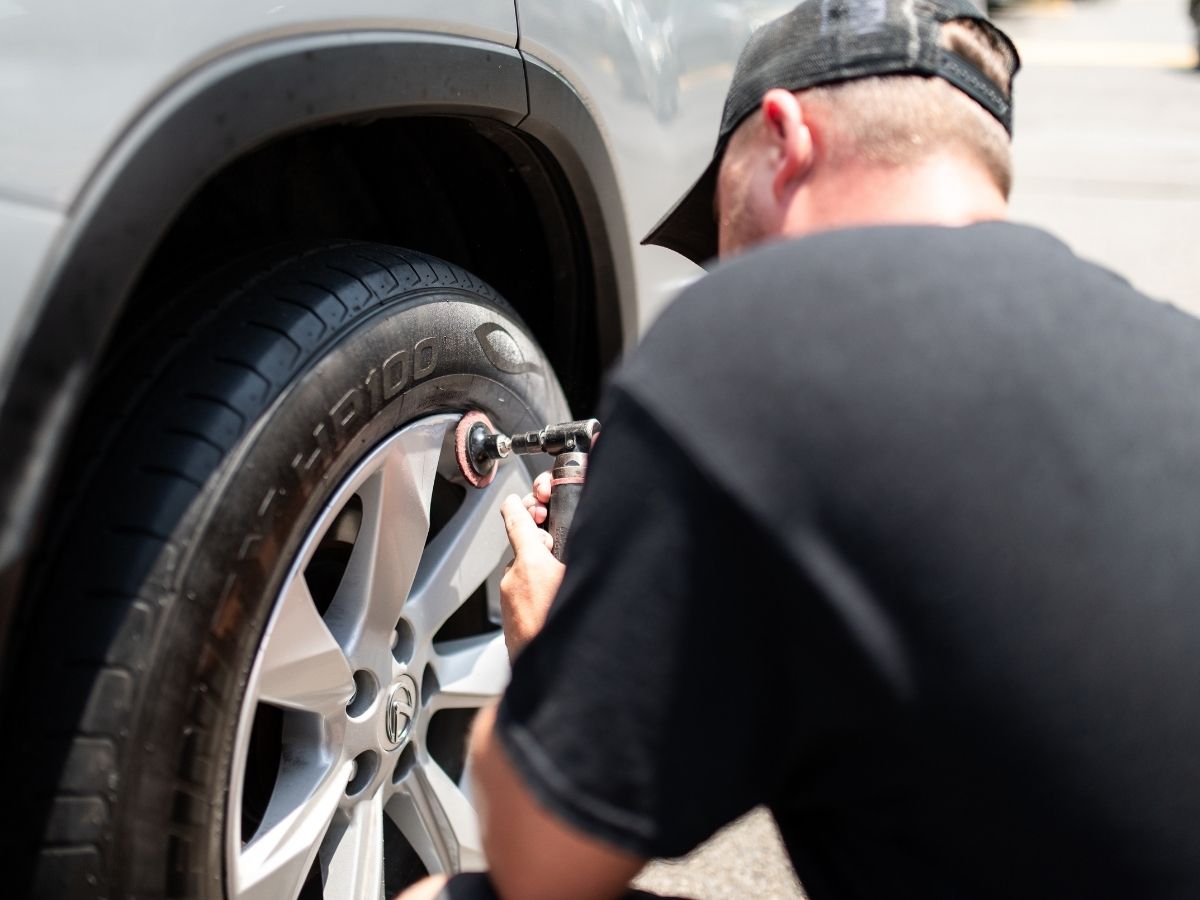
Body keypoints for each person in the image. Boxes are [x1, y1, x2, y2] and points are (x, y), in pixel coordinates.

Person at [402, 0, 1200, 897]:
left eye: (720, 224)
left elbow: (541, 861)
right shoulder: (1173, 348)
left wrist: (556, 652)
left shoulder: (762, 329)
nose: (723, 265)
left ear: (784, 139)